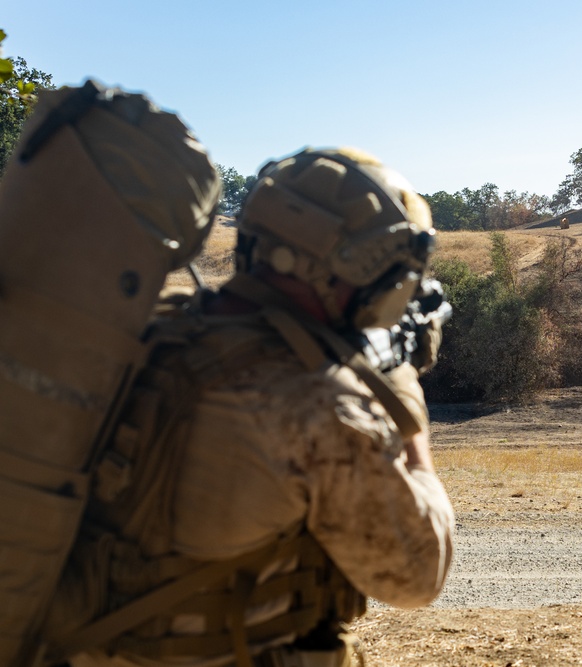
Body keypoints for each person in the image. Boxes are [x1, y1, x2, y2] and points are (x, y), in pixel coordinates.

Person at [44, 148, 455, 667]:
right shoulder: (317, 405)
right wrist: (406, 410)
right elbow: (417, 576)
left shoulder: (150, 334)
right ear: (353, 263)